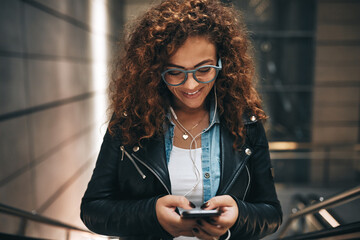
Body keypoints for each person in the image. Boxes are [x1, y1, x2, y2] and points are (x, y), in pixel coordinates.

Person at [80, 0, 282, 239]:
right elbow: (93, 209)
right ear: (155, 70)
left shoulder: (246, 122)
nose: (191, 85)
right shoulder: (130, 121)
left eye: (204, 70)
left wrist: (238, 217)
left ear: (222, 64)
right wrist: (152, 215)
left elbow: (271, 214)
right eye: (175, 72)